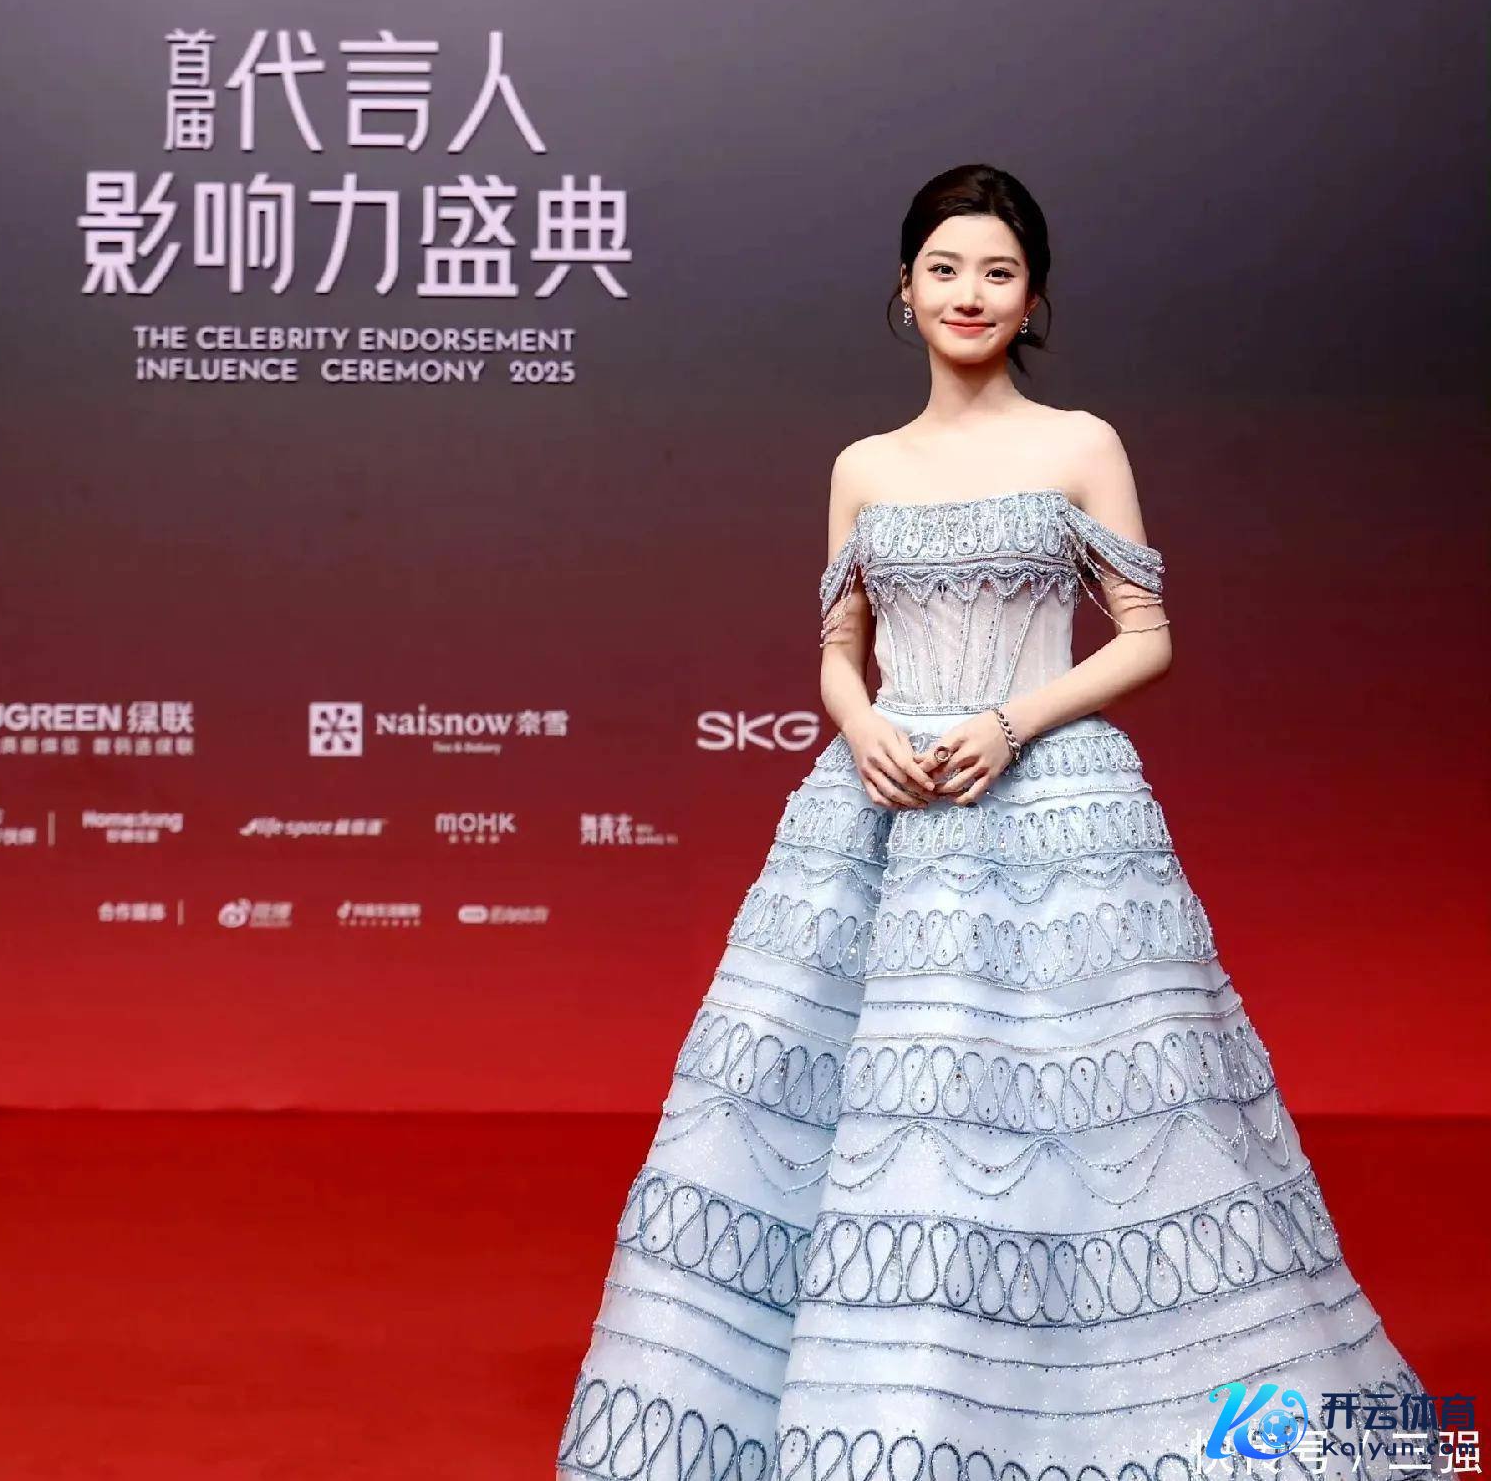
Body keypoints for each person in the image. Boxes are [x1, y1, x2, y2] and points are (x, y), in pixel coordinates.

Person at [556, 164, 1434, 1481]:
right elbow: (837, 647)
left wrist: (1012, 723)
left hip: (1052, 805)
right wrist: (861, 723)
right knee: (861, 1123)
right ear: (903, 292)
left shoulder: (1079, 443)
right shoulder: (862, 465)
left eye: (998, 272)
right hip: (881, 809)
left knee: (1097, 1121)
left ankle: (1129, 1422)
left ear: (1032, 300)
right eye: (945, 269)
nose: (969, 293)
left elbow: (1146, 635)